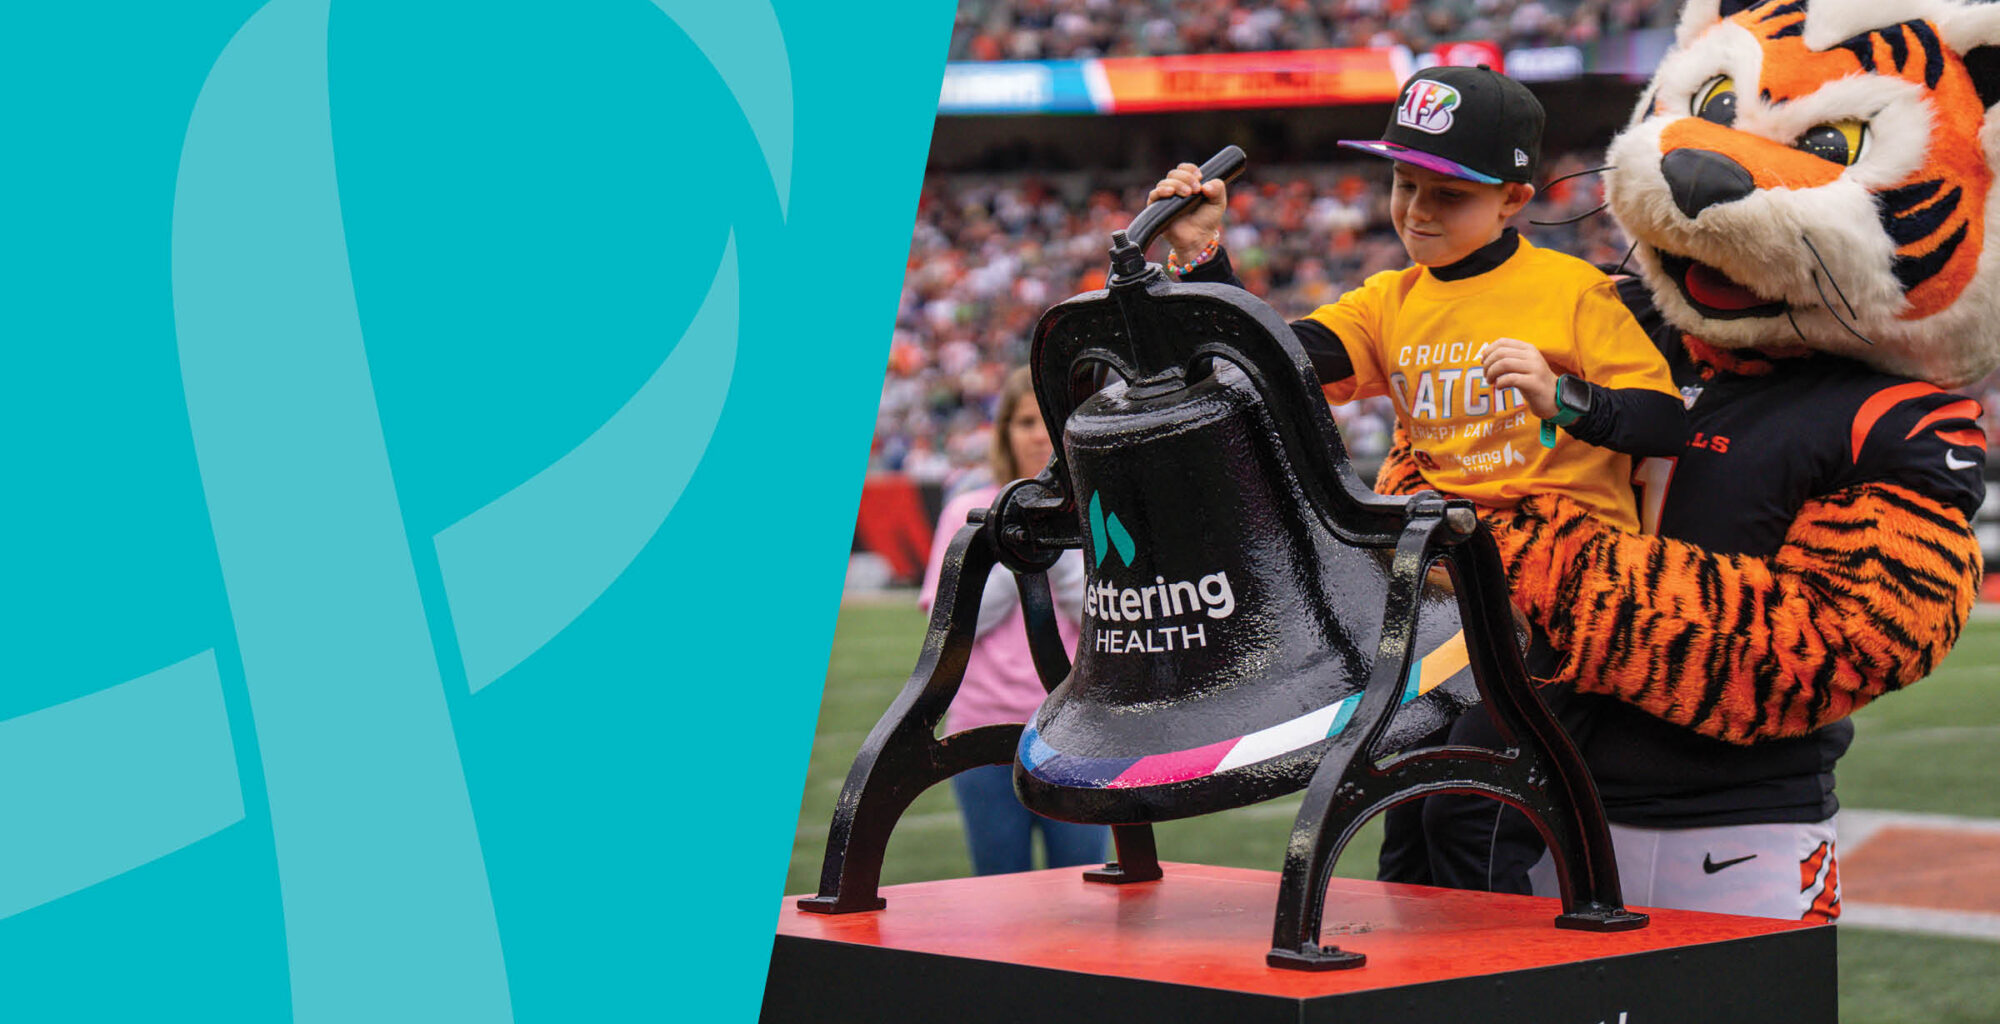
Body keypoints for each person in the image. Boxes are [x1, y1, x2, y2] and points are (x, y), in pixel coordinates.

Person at [1147, 65, 1689, 889]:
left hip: (1563, 596)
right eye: (1405, 184)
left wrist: (1566, 398)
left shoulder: (1573, 292)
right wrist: (1201, 255)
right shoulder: (1388, 301)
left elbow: (1663, 423)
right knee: (1401, 811)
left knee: (1468, 810)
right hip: (1446, 595)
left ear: (1514, 199)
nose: (1417, 211)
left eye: (1449, 194)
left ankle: (1499, 967)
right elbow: (1268, 362)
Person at [918, 366, 1109, 875]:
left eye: (1047, 424)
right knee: (998, 890)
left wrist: (1054, 543)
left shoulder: (1097, 511)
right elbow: (952, 625)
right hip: (983, 730)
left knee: (1082, 887)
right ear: (1004, 431)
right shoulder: (966, 509)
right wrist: (1012, 541)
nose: (1038, 437)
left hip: (1077, 731)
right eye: (1025, 422)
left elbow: (1106, 618)